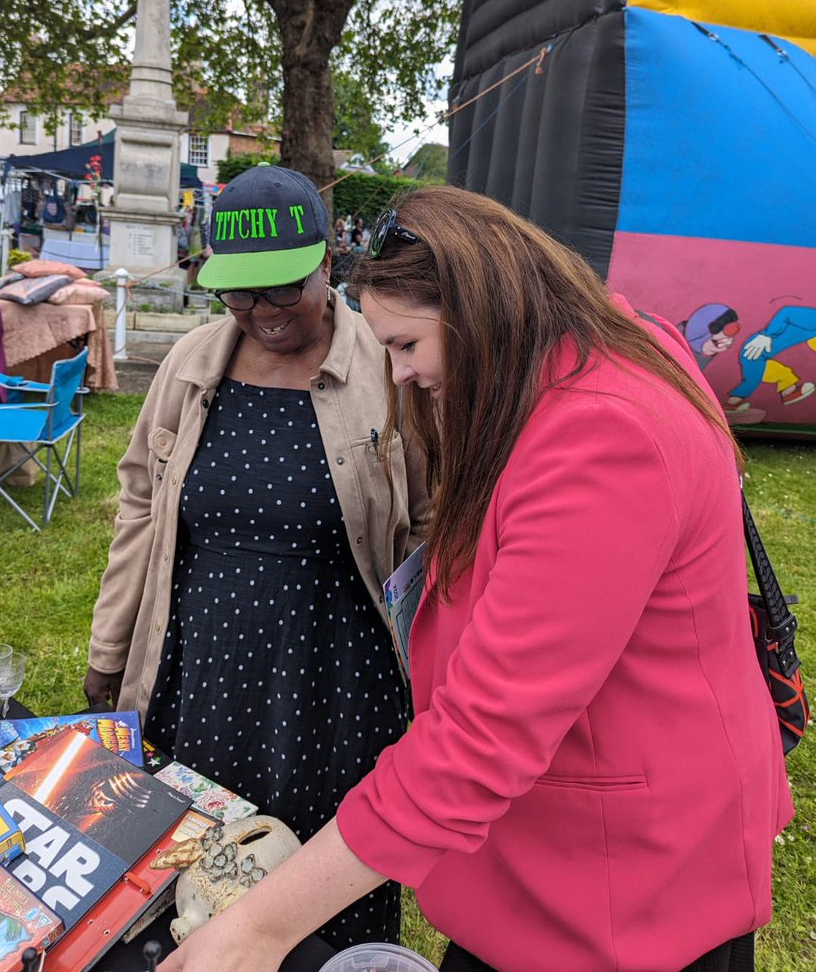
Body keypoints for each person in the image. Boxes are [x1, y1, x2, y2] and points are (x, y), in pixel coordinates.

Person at [161, 184, 792, 972]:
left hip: (620, 897)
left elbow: (483, 736)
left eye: (404, 346)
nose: (394, 375)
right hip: (563, 866)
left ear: (479, 310)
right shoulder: (577, 354)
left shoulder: (604, 435)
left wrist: (259, 925)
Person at [85, 165, 428, 949]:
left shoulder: (390, 367)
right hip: (202, 671)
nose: (260, 312)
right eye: (240, 292)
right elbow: (141, 504)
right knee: (196, 875)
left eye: (281, 290)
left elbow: (434, 527)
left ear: (327, 267)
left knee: (320, 887)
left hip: (335, 682)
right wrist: (110, 650)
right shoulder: (192, 364)